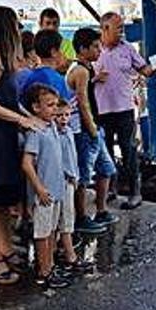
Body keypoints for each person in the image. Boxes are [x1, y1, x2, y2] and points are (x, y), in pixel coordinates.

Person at [0, 5, 41, 284]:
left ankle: (5, 247)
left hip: (3, 133)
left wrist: (29, 118)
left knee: (2, 199)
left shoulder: (2, 58)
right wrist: (20, 119)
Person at [96, 12, 156, 210]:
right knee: (104, 152)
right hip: (101, 110)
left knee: (129, 151)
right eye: (119, 28)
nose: (122, 32)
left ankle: (135, 192)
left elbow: (145, 70)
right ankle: (110, 189)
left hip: (124, 109)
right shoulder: (94, 49)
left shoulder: (128, 49)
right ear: (105, 29)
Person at [66, 27, 117, 232]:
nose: (99, 50)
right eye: (95, 46)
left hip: (94, 127)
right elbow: (83, 102)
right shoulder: (80, 71)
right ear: (82, 49)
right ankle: (81, 217)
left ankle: (101, 210)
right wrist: (93, 131)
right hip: (85, 130)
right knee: (84, 175)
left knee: (106, 169)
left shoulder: (86, 69)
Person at [21, 83, 71, 289]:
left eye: (54, 105)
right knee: (42, 233)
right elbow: (26, 163)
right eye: (49, 105)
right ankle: (44, 271)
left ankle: (49, 265)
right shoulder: (36, 132)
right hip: (45, 192)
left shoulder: (51, 128)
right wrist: (39, 188)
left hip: (56, 189)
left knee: (51, 231)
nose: (54, 109)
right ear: (36, 107)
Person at [54, 99, 94, 274]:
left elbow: (72, 156)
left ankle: (64, 252)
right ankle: (70, 256)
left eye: (66, 115)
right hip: (60, 181)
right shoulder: (52, 134)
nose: (63, 119)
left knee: (66, 219)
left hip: (70, 180)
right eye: (59, 115)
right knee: (64, 220)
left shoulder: (69, 131)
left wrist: (75, 175)